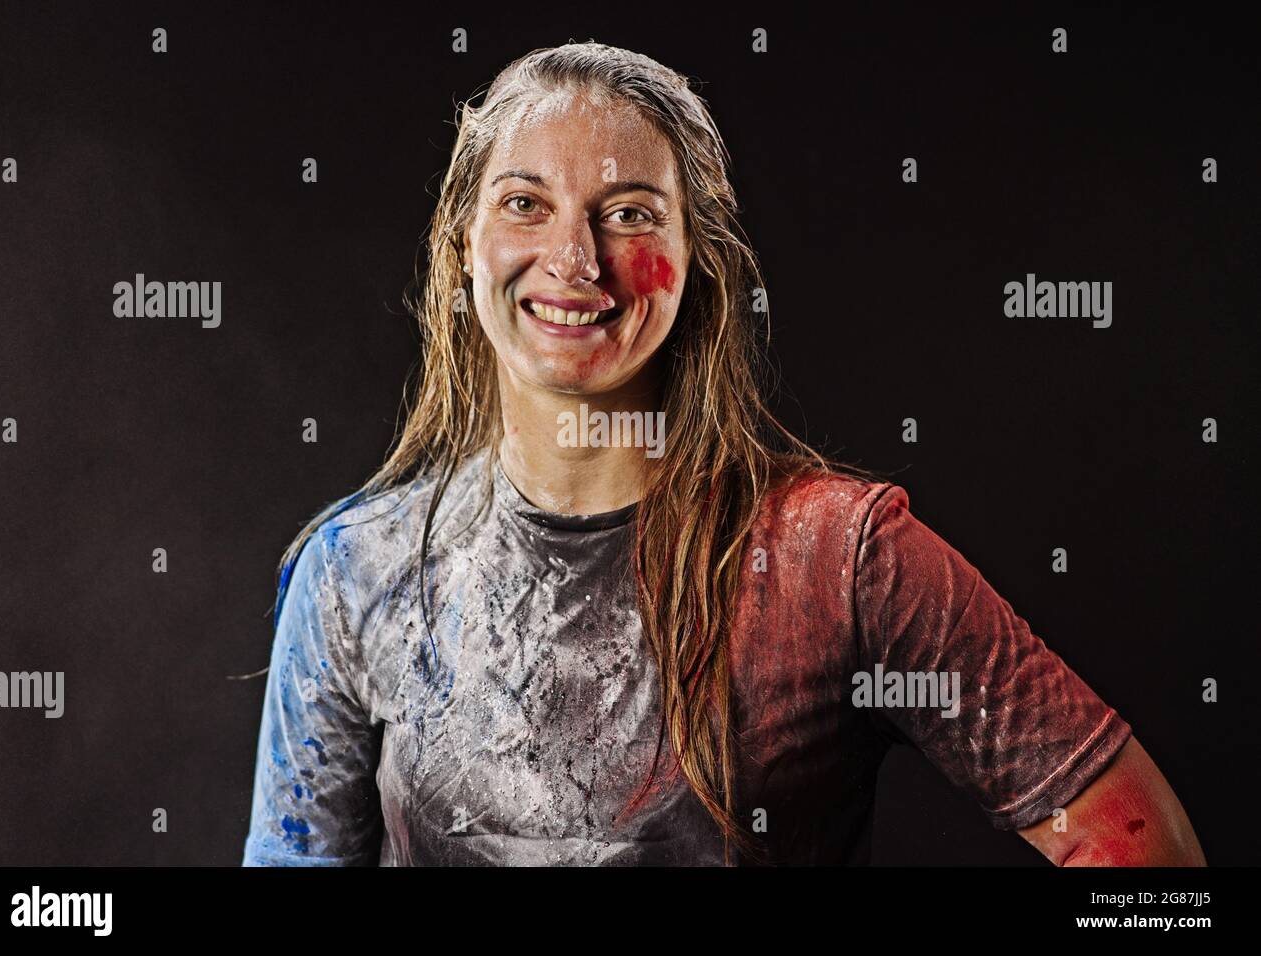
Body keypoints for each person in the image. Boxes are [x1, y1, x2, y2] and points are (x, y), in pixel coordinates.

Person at [241, 42, 1205, 866]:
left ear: (696, 255)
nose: (576, 260)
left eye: (628, 213)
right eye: (525, 203)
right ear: (463, 245)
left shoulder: (840, 560)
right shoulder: (351, 575)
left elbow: (1140, 850)